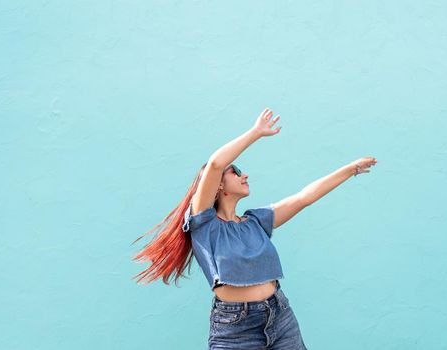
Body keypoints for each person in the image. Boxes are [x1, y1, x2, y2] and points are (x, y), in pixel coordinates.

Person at [131, 107, 378, 349]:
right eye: (236, 171)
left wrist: (350, 169)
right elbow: (216, 163)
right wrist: (255, 132)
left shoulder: (256, 222)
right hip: (235, 330)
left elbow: (304, 197)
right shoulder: (204, 224)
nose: (244, 175)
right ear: (218, 185)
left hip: (280, 317)